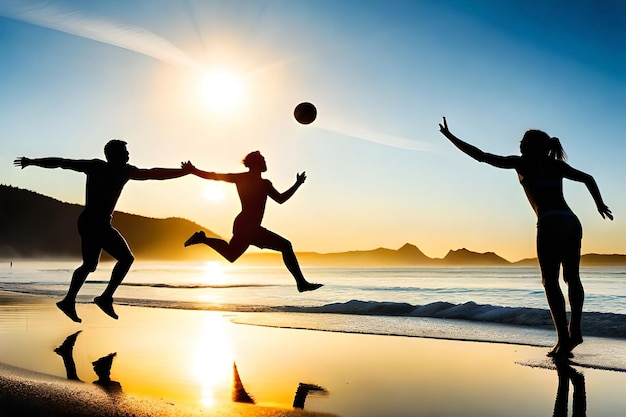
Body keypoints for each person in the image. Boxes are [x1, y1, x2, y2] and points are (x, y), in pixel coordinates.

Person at [438, 117, 613, 357]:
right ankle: (575, 330)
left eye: (522, 142)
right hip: (571, 221)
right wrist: (600, 205)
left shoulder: (521, 163)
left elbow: (480, 155)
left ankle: (563, 340)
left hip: (550, 222)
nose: (519, 145)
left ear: (528, 147)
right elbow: (588, 179)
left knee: (549, 281)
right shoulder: (556, 165)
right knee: (572, 278)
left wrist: (450, 137)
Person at [14, 140, 193, 322]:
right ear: (113, 154)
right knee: (126, 258)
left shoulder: (110, 168)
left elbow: (155, 174)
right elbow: (62, 162)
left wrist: (31, 162)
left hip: (88, 222)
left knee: (89, 265)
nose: (128, 154)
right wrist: (33, 161)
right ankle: (104, 298)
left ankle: (69, 301)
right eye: (125, 151)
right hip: (96, 223)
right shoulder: (104, 168)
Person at [184, 151, 322, 292]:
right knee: (285, 245)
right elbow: (214, 176)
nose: (265, 162)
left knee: (231, 255)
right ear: (255, 163)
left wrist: (297, 184)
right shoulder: (259, 182)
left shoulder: (258, 182)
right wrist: (193, 170)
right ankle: (301, 283)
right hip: (249, 227)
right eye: (262, 159)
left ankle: (202, 239)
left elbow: (280, 199)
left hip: (243, 225)